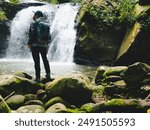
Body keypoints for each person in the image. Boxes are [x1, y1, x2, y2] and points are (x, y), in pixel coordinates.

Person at [28, 10, 51, 82]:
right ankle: (48, 74)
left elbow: (32, 34)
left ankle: (38, 77)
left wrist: (29, 43)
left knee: (36, 61)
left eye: (34, 14)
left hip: (35, 45)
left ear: (37, 16)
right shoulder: (46, 24)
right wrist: (46, 44)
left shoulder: (34, 23)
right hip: (44, 45)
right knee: (45, 59)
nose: (33, 16)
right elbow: (49, 36)